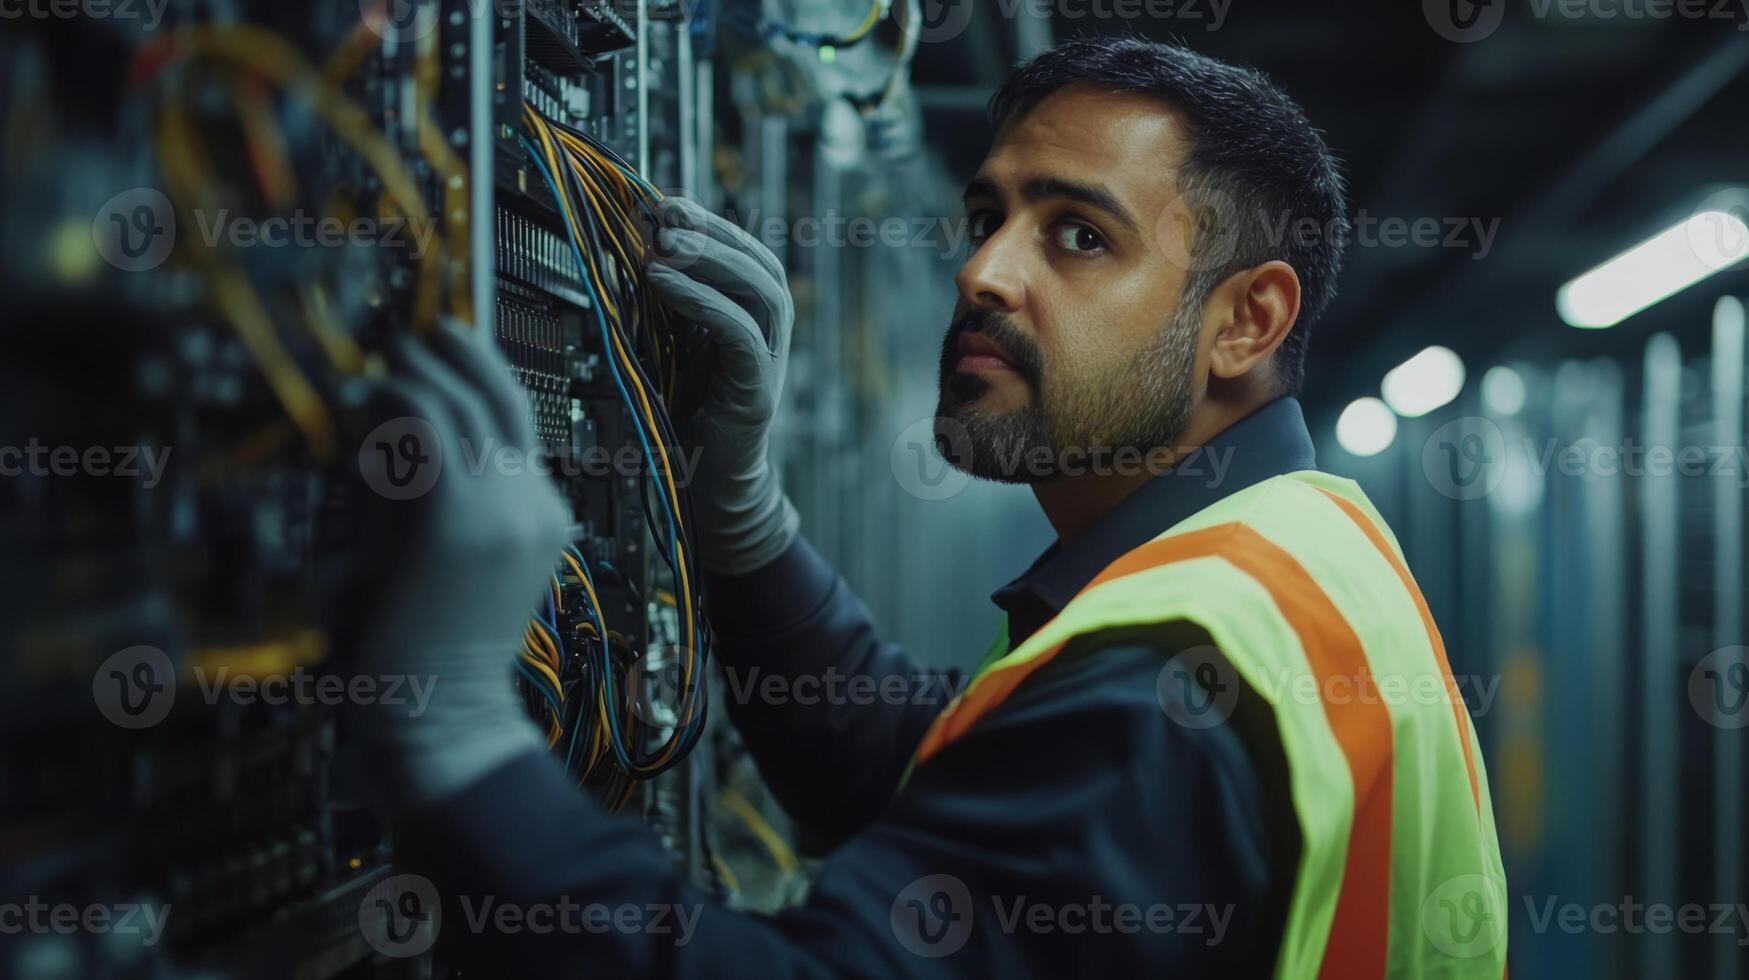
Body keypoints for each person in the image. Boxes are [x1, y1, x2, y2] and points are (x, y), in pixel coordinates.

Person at [345, 35, 1508, 978]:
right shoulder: (1300, 550)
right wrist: (740, 518)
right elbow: (961, 788)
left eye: (1077, 234)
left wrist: (456, 729)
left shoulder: (1183, 673)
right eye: (986, 217)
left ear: (1245, 321)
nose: (983, 271)